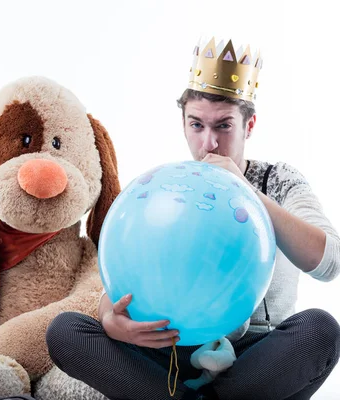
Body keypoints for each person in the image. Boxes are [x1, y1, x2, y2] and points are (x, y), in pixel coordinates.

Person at [46, 38, 340, 399]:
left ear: (249, 126)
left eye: (224, 126)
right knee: (65, 331)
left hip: (259, 360)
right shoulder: (167, 188)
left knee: (321, 330)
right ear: (183, 123)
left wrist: (247, 192)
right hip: (173, 349)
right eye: (197, 125)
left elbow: (328, 263)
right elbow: (125, 281)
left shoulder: (278, 180)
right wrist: (111, 319)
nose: (209, 143)